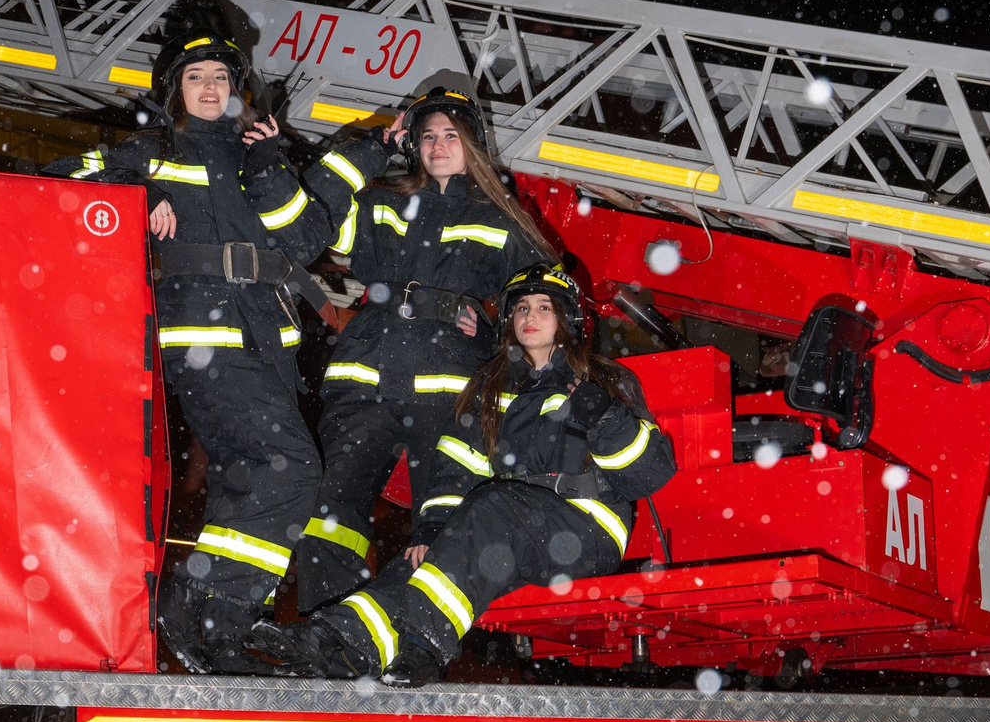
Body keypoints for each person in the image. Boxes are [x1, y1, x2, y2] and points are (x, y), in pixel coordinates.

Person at [46, 0, 331, 672]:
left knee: (253, 476)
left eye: (222, 79)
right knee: (288, 469)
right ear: (174, 87)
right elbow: (60, 183)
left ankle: (209, 618)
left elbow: (310, 236)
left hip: (266, 340)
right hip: (203, 334)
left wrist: (271, 163)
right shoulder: (151, 150)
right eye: (197, 78)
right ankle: (209, 608)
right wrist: (135, 198)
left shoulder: (255, 153)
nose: (211, 89)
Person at [251, 264, 676, 685]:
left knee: (493, 508)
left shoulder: (605, 379)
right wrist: (431, 528)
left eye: (544, 307)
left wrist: (604, 416)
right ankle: (334, 639)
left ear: (569, 319)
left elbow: (649, 473)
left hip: (586, 530)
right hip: (506, 528)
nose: (530, 317)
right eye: (522, 308)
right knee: (428, 556)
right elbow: (457, 468)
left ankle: (424, 647)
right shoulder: (490, 389)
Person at [286, 71, 555, 609]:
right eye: (429, 135)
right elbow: (310, 216)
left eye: (451, 135)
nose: (438, 146)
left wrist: (496, 326)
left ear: (472, 144)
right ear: (413, 142)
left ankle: (405, 639)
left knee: (440, 525)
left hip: (451, 388)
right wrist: (371, 145)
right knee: (329, 513)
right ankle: (327, 634)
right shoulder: (380, 201)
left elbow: (547, 305)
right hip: (366, 375)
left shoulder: (502, 217)